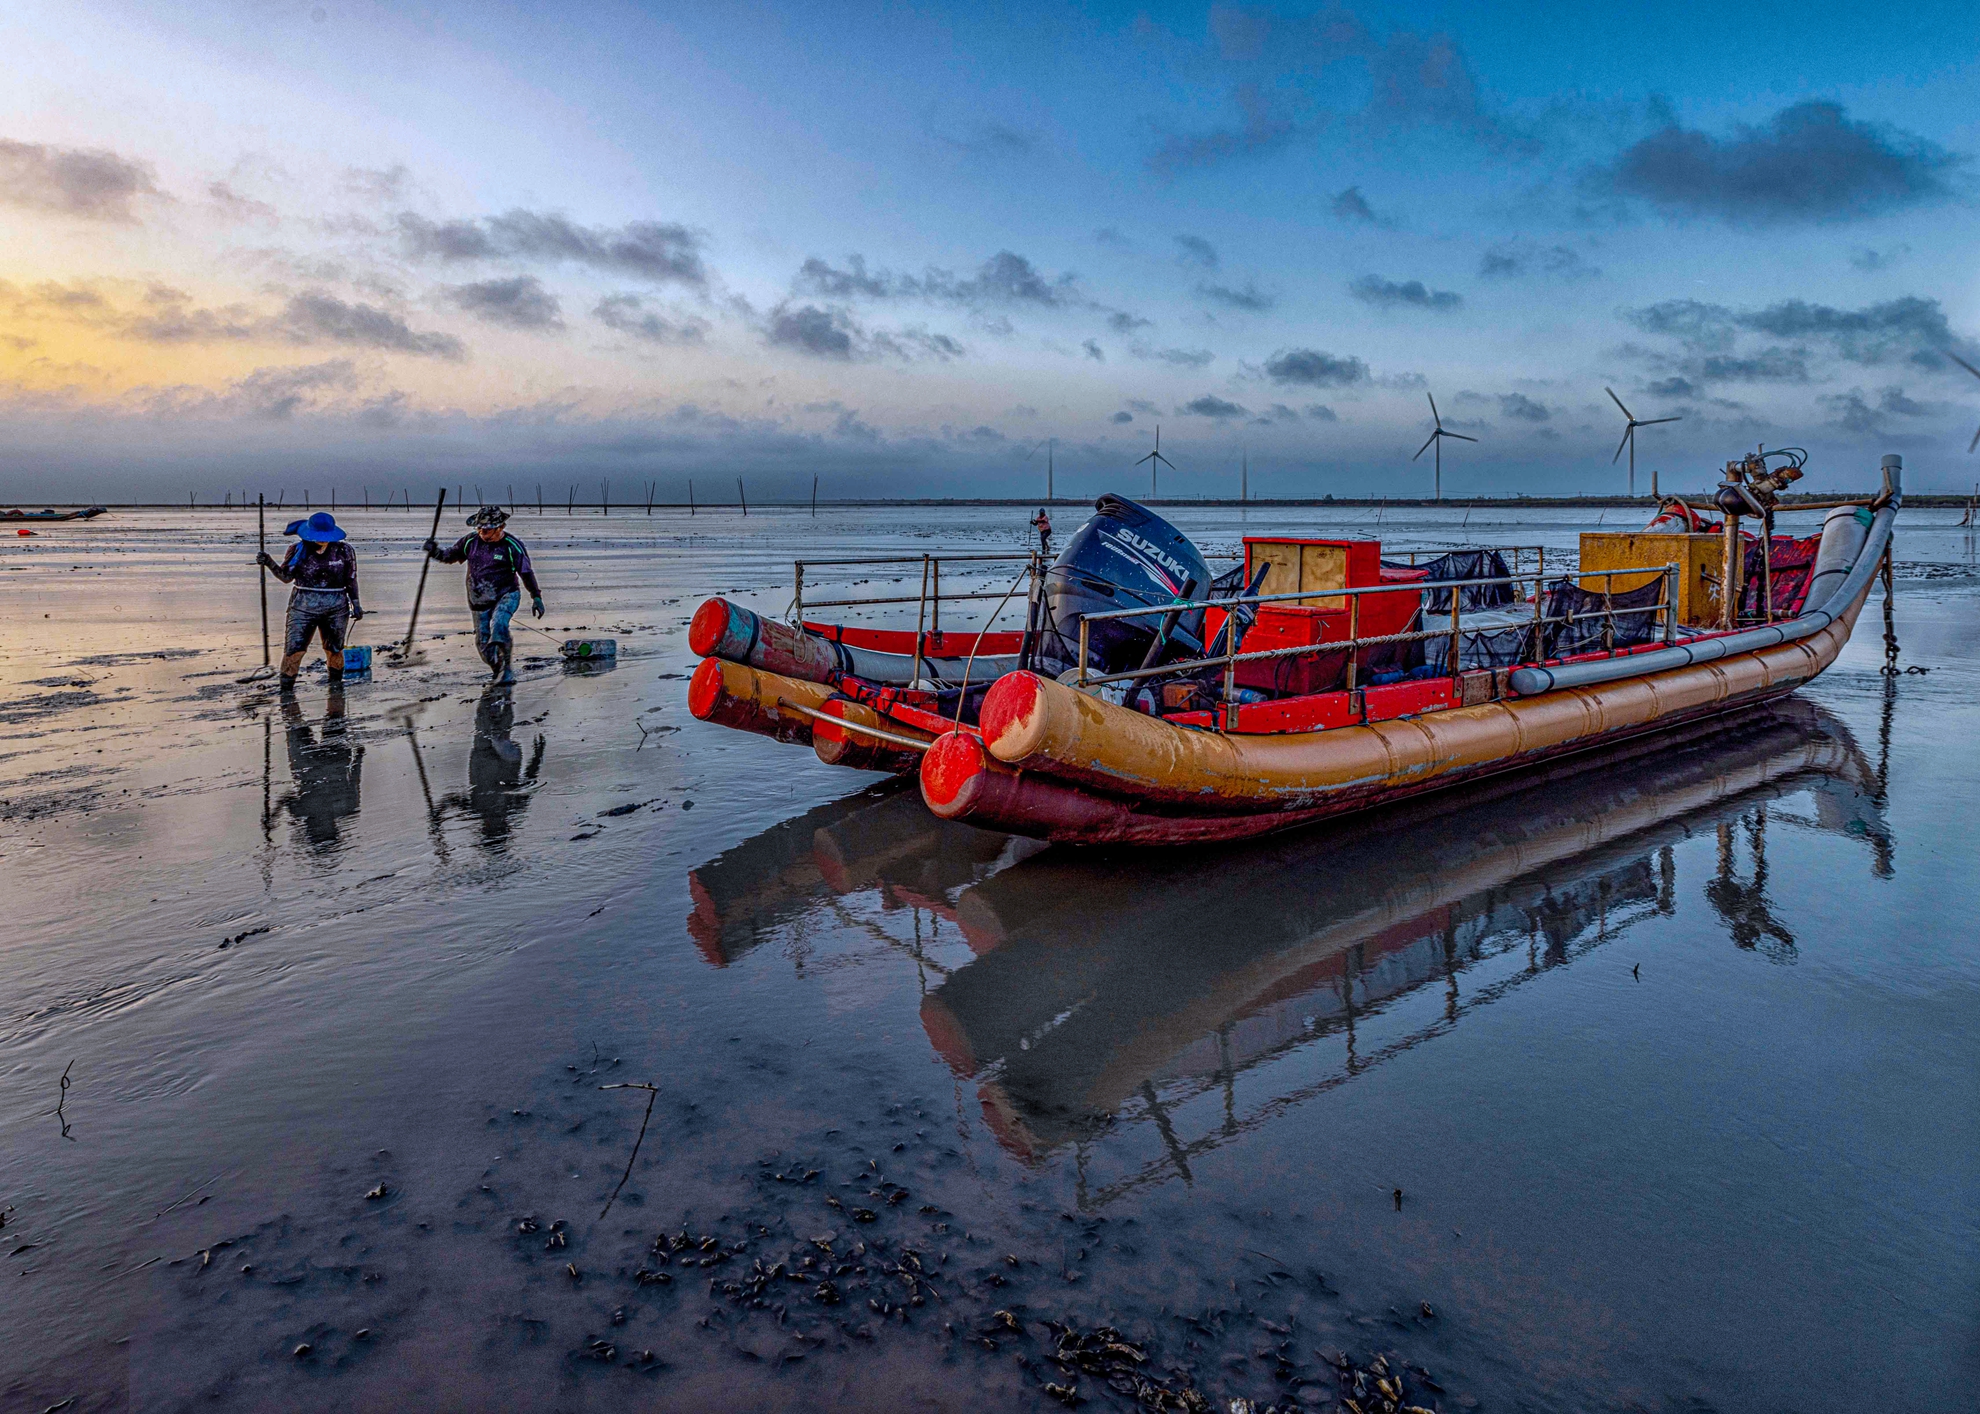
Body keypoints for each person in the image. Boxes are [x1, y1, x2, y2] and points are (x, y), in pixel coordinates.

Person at [425, 506, 543, 685]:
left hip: (506, 595)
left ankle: (507, 670)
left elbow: (526, 572)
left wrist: (536, 597)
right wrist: (434, 551)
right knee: (483, 644)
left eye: (487, 529)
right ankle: (498, 668)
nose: (482, 532)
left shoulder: (512, 546)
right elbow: (449, 556)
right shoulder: (470, 541)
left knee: (499, 625)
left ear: (500, 527)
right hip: (478, 600)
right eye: (479, 528)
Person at [258, 510, 363, 694]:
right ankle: (286, 691)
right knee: (294, 649)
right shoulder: (297, 550)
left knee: (334, 649)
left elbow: (351, 579)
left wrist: (356, 603)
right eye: (318, 537)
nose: (322, 540)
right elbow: (286, 577)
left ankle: (336, 690)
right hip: (303, 606)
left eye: (326, 537)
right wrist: (269, 562)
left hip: (336, 606)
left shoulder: (345, 551)